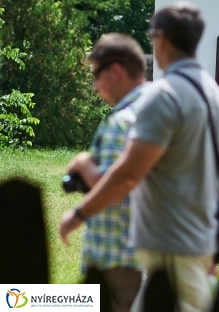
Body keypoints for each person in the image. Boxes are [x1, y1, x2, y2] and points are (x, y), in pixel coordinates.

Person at [59, 1, 219, 312]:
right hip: (199, 240)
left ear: (161, 39)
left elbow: (128, 173)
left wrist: (78, 214)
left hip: (169, 243)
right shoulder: (218, 98)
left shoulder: (164, 95)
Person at [66, 33, 148, 312]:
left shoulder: (124, 121)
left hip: (115, 256)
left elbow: (113, 185)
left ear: (116, 71)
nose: (94, 87)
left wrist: (83, 163)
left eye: (96, 75)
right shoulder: (157, 110)